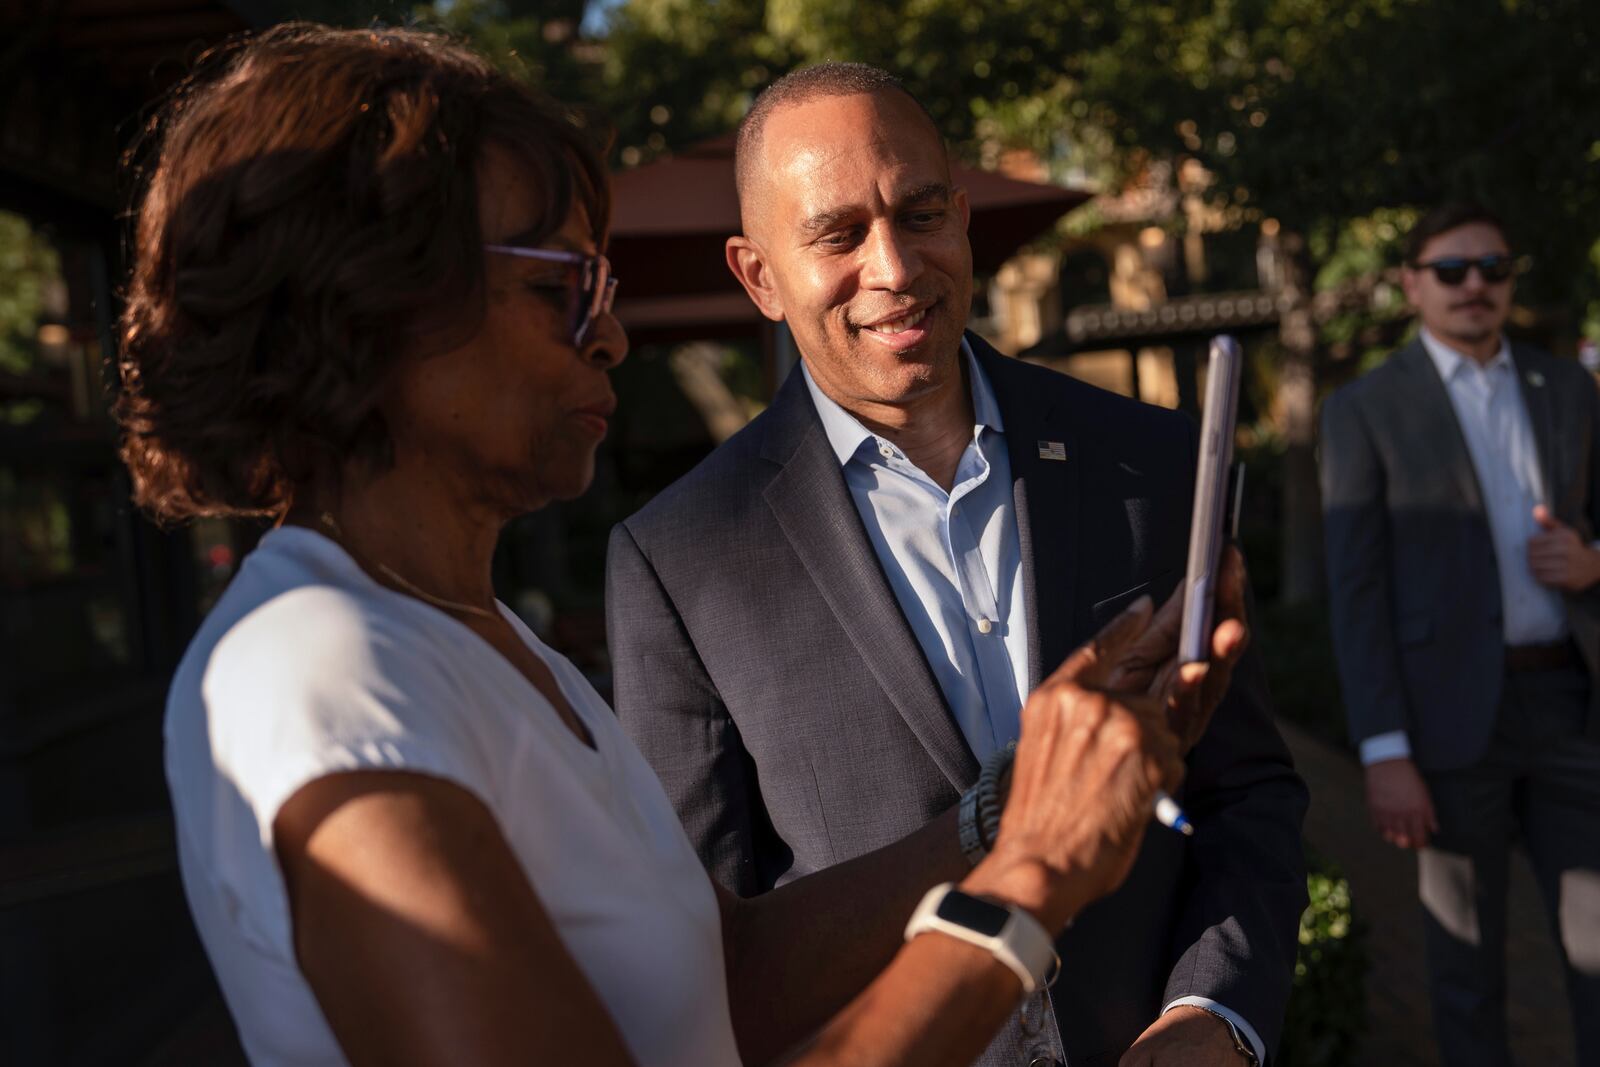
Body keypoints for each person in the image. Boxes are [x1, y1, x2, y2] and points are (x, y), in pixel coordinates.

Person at [119, 25, 1253, 1067]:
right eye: (560, 284)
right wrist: (1032, 876)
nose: (609, 335)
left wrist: (1007, 807)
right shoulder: (324, 672)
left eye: (600, 287)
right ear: (367, 313)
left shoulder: (487, 638)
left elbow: (728, 977)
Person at [606, 63, 1307, 1067]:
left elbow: (1244, 791)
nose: (893, 264)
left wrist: (1215, 1014)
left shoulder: (1148, 462)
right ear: (758, 275)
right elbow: (705, 941)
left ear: (962, 218)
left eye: (920, 213)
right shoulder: (676, 559)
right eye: (838, 233)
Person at [1321, 201, 1600, 1065]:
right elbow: (1355, 590)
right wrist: (1384, 748)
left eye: (1493, 268)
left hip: (1570, 700)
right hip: (1445, 724)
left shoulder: (1571, 388)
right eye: (1451, 270)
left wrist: (1593, 561)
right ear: (1411, 284)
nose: (1475, 285)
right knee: (1466, 965)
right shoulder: (1364, 409)